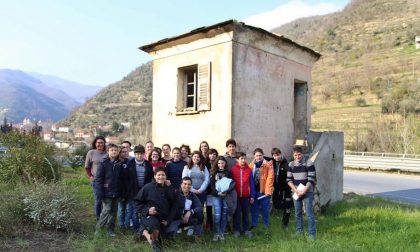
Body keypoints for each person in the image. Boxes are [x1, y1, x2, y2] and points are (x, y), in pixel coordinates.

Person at [134, 167, 177, 252]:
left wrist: (168, 220)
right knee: (155, 228)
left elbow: (174, 206)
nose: (161, 177)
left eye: (163, 175)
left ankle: (143, 231)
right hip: (150, 216)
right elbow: (137, 202)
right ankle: (156, 247)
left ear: (166, 176)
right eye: (158, 175)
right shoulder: (148, 187)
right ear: (154, 176)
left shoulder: (169, 188)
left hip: (164, 218)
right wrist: (148, 210)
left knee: (167, 238)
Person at [287, 146, 316, 240]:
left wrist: (304, 190)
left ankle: (312, 234)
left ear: (302, 154)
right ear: (293, 155)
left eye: (299, 154)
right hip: (296, 192)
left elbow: (311, 179)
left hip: (307, 191)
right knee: (297, 213)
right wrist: (295, 191)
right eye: (295, 155)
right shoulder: (291, 165)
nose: (297, 156)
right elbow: (289, 180)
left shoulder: (309, 163)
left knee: (309, 213)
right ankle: (299, 231)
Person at [95, 143, 124, 237]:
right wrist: (100, 194)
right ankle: (99, 229)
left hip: (117, 192)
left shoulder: (120, 164)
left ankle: (110, 230)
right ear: (108, 151)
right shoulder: (103, 163)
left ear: (117, 152)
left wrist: (122, 193)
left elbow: (122, 179)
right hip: (106, 192)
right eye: (112, 150)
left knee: (113, 212)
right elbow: (99, 179)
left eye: (115, 150)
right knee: (106, 210)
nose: (114, 152)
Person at [124, 145, 154, 232]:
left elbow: (151, 177)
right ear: (134, 154)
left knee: (144, 210)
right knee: (134, 211)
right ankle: (136, 228)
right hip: (133, 191)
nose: (139, 156)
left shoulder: (148, 164)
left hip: (144, 191)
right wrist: (129, 190)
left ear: (144, 154)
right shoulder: (130, 164)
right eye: (137, 154)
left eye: (141, 154)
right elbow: (126, 179)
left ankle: (143, 227)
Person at [165, 177, 204, 241]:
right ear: (181, 185)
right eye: (185, 184)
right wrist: (180, 215)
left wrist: (190, 212)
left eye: (189, 184)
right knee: (169, 237)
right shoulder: (175, 193)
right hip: (176, 218)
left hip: (187, 219)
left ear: (191, 186)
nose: (187, 186)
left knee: (200, 215)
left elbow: (200, 206)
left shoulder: (192, 195)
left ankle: (198, 235)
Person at [209, 156, 235, 241]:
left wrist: (226, 192)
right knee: (217, 216)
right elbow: (211, 185)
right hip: (216, 196)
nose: (221, 165)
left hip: (225, 196)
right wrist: (218, 192)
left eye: (222, 163)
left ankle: (221, 233)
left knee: (224, 216)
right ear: (217, 163)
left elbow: (232, 184)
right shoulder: (213, 172)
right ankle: (216, 233)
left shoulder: (228, 173)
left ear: (225, 164)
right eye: (219, 163)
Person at [230, 152, 254, 238]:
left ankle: (246, 229)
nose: (243, 160)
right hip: (236, 196)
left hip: (246, 196)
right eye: (241, 159)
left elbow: (251, 184)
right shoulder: (233, 169)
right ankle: (236, 230)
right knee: (236, 213)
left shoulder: (249, 170)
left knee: (246, 213)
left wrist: (252, 196)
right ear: (237, 159)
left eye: (244, 158)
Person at [250, 148, 274, 229]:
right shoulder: (251, 165)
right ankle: (254, 225)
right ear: (254, 156)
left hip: (264, 192)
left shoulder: (268, 165)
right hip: (254, 192)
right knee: (254, 209)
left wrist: (268, 191)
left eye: (260, 155)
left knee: (265, 209)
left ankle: (266, 226)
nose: (258, 157)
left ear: (263, 155)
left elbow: (270, 179)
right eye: (257, 155)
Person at [85, 136, 107, 220]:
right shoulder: (91, 153)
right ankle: (99, 218)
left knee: (106, 200)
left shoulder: (107, 153)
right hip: (96, 181)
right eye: (98, 142)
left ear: (104, 144)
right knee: (98, 200)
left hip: (107, 181)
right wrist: (90, 176)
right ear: (95, 143)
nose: (100, 144)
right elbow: (87, 167)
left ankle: (105, 217)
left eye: (102, 142)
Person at [271, 147, 292, 229]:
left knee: (287, 207)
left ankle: (285, 224)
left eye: (278, 155)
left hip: (285, 189)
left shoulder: (286, 164)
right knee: (276, 205)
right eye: (275, 156)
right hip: (277, 189)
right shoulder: (273, 162)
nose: (277, 157)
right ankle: (289, 206)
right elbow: (264, 158)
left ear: (281, 154)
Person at [117, 145, 131, 230]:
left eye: (126, 151)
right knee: (121, 209)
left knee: (129, 209)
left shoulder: (129, 162)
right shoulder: (117, 163)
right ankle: (121, 225)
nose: (125, 153)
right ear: (119, 153)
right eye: (123, 152)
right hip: (120, 190)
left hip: (128, 190)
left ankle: (127, 225)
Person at [205, 148, 218, 231]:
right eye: (211, 154)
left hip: (217, 189)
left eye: (214, 154)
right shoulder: (205, 164)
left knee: (217, 208)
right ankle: (210, 224)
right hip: (208, 190)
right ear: (208, 155)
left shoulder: (218, 164)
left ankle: (217, 224)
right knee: (209, 208)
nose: (212, 156)